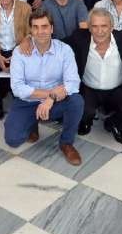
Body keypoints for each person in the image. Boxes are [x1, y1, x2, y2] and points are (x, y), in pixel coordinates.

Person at [6, 9, 84, 165]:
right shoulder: (19, 52)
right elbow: (17, 88)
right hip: (27, 101)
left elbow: (73, 82)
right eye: (35, 27)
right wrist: (50, 94)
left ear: (52, 28)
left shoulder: (64, 50)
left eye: (44, 26)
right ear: (30, 30)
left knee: (76, 101)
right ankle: (32, 124)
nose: (40, 31)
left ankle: (66, 143)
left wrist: (52, 98)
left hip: (55, 102)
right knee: (13, 140)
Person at [64, 9, 122, 142]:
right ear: (89, 28)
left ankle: (113, 124)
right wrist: (30, 40)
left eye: (104, 26)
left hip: (116, 89)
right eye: (94, 26)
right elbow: (58, 43)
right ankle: (86, 121)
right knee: (81, 109)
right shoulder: (79, 38)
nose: (99, 31)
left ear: (112, 27)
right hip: (89, 89)